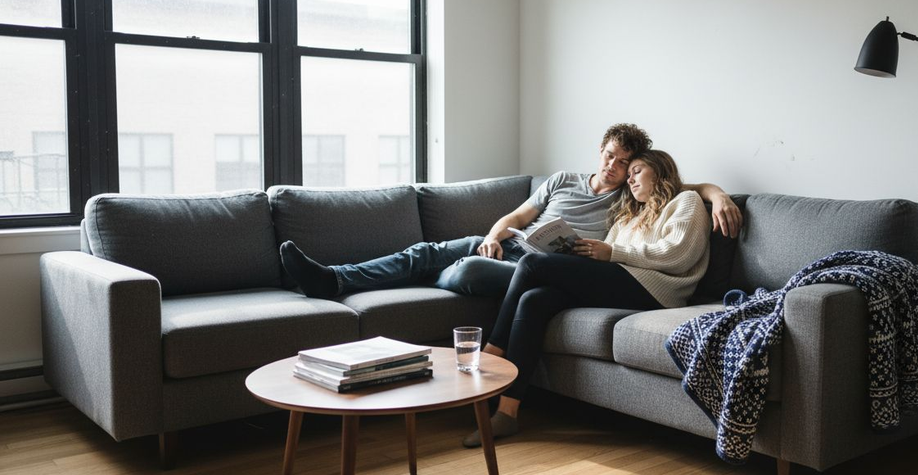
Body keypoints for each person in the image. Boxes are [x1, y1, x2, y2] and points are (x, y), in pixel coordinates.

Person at [279, 123, 740, 300]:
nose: (616, 168)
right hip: (515, 247)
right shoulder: (561, 180)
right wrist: (495, 235)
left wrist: (716, 194)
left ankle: (448, 271)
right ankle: (333, 278)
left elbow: (677, 187)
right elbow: (517, 218)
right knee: (425, 251)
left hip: (545, 266)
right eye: (611, 156)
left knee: (468, 275)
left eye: (625, 163)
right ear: (599, 151)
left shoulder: (629, 201)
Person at [462, 149, 711, 447]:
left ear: (659, 172)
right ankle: (507, 412)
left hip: (657, 291)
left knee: (531, 264)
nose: (629, 178)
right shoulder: (630, 215)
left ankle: (493, 350)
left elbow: (677, 255)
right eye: (628, 174)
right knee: (534, 300)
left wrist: (612, 253)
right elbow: (607, 258)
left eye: (636, 171)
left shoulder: (686, 202)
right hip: (622, 283)